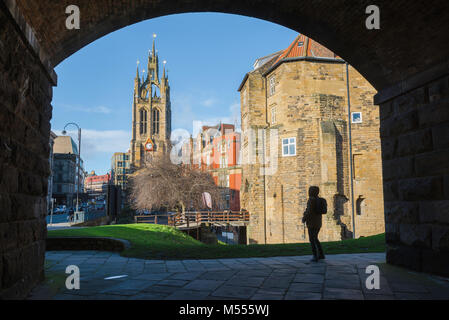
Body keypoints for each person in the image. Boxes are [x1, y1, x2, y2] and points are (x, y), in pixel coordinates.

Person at [302, 186, 325, 262]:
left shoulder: (311, 200)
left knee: (312, 239)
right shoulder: (319, 200)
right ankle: (321, 254)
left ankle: (315, 255)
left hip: (311, 222)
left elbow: (309, 211)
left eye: (310, 191)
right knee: (315, 238)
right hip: (318, 222)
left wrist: (304, 218)